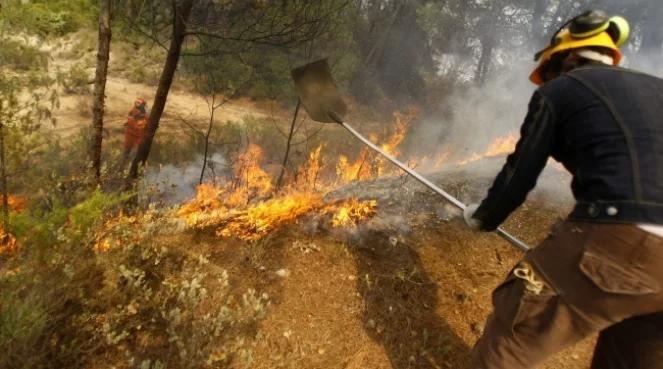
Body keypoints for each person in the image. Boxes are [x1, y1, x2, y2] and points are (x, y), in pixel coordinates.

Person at [464, 10, 663, 369]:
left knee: (514, 336)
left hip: (622, 236)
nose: (546, 84)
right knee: (631, 358)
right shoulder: (656, 89)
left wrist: (482, 218)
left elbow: (519, 175)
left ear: (568, 57)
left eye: (549, 75)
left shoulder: (563, 89)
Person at [123, 98, 149, 164]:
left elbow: (144, 124)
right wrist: (130, 121)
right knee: (126, 152)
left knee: (135, 153)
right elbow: (130, 119)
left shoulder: (145, 114)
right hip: (130, 136)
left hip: (138, 137)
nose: (136, 104)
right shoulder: (132, 111)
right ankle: (124, 163)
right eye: (136, 102)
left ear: (142, 105)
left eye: (138, 103)